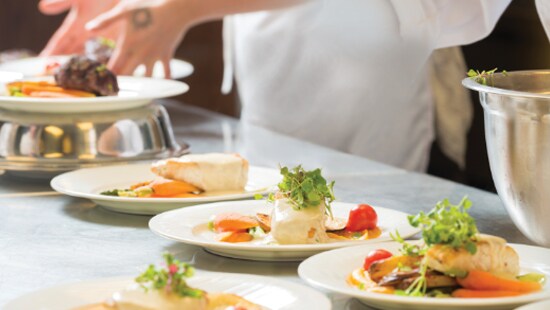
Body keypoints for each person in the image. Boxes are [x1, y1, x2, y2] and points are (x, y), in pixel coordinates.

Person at [41, 0, 539, 171]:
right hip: (273, 45)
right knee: (268, 226)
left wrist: (177, 11)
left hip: (360, 38)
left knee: (355, 228)